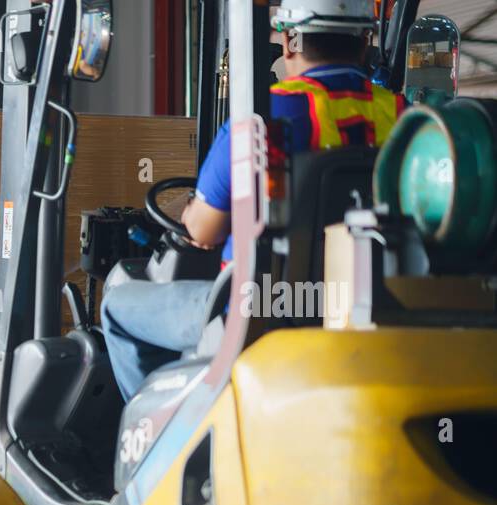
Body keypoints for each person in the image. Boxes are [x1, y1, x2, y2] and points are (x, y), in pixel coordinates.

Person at [100, 0, 404, 401]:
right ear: (365, 41)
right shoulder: (402, 116)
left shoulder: (263, 117)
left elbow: (203, 232)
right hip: (366, 305)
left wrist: (193, 210)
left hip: (259, 308)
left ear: (291, 40)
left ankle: (162, 446)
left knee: (118, 306)